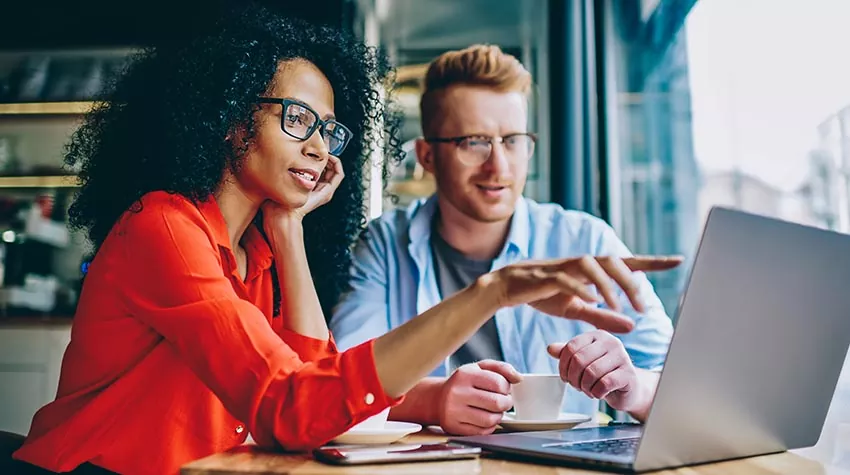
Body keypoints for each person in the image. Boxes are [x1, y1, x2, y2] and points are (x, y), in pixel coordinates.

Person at [8, 9, 679, 474]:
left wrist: (290, 228)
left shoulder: (258, 251)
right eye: (296, 118)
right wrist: (491, 293)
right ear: (228, 118)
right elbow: (293, 407)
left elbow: (313, 393)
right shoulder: (165, 228)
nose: (315, 146)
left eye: (327, 129)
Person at [329, 44, 678, 436]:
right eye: (473, 142)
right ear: (427, 156)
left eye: (512, 140)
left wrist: (632, 388)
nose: (499, 165)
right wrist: (434, 400)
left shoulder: (585, 239)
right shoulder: (384, 245)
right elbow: (338, 384)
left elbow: (681, 384)